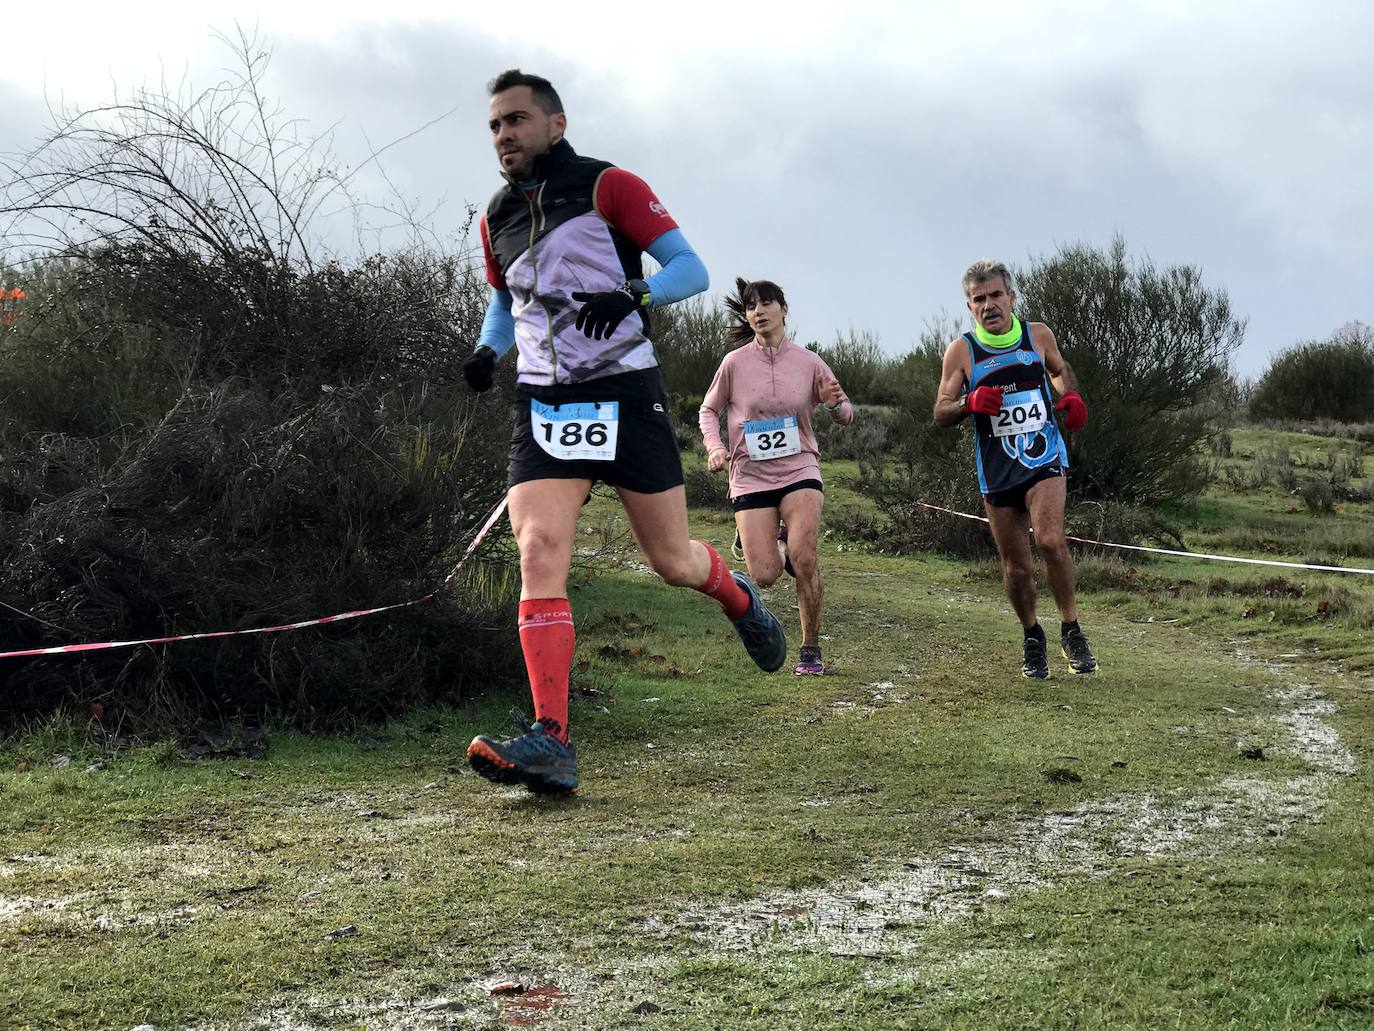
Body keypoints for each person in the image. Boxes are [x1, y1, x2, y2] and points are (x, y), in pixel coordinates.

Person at [461, 71, 787, 795]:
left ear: (556, 122)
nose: (504, 135)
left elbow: (691, 270)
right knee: (539, 548)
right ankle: (553, 740)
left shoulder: (610, 186)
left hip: (624, 390)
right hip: (545, 400)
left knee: (671, 558)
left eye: (516, 120)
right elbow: (501, 304)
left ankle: (739, 599)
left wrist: (634, 291)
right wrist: (489, 353)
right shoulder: (495, 217)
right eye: (494, 126)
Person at [932, 259, 1097, 679]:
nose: (989, 305)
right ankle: (1031, 635)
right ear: (969, 306)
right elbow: (940, 410)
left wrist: (1071, 396)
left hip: (1044, 456)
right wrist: (968, 404)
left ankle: (1071, 628)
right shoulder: (962, 351)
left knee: (1050, 540)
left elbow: (1060, 372)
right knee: (1016, 567)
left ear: (1011, 297)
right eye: (979, 299)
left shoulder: (1036, 335)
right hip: (997, 468)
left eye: (995, 295)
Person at [699, 278, 853, 676]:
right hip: (750, 474)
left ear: (785, 309)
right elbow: (708, 410)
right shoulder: (734, 363)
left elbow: (845, 414)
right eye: (751, 306)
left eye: (767, 303)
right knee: (765, 575)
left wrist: (836, 405)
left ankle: (811, 650)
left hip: (800, 467)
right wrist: (716, 448)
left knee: (805, 558)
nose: (759, 312)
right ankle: (768, 539)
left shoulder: (808, 361)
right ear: (747, 316)